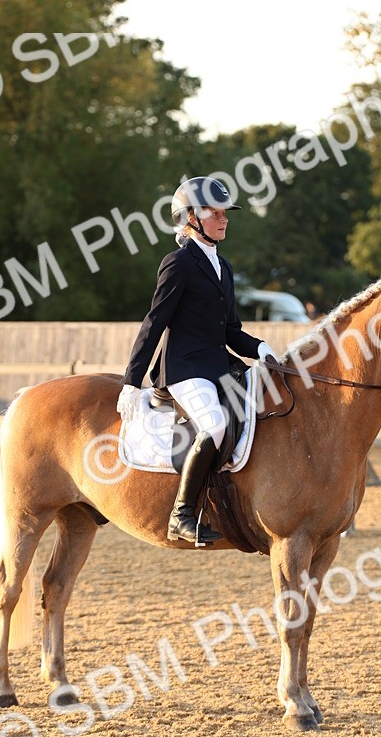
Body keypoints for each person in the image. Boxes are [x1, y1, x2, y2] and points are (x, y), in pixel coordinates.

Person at [118, 176, 278, 545]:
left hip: (219, 366)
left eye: (225, 214)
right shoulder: (178, 262)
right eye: (214, 213)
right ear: (190, 217)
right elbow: (154, 322)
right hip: (185, 369)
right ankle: (182, 514)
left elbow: (231, 331)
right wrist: (131, 381)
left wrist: (259, 348)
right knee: (217, 424)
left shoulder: (224, 267)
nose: (223, 220)